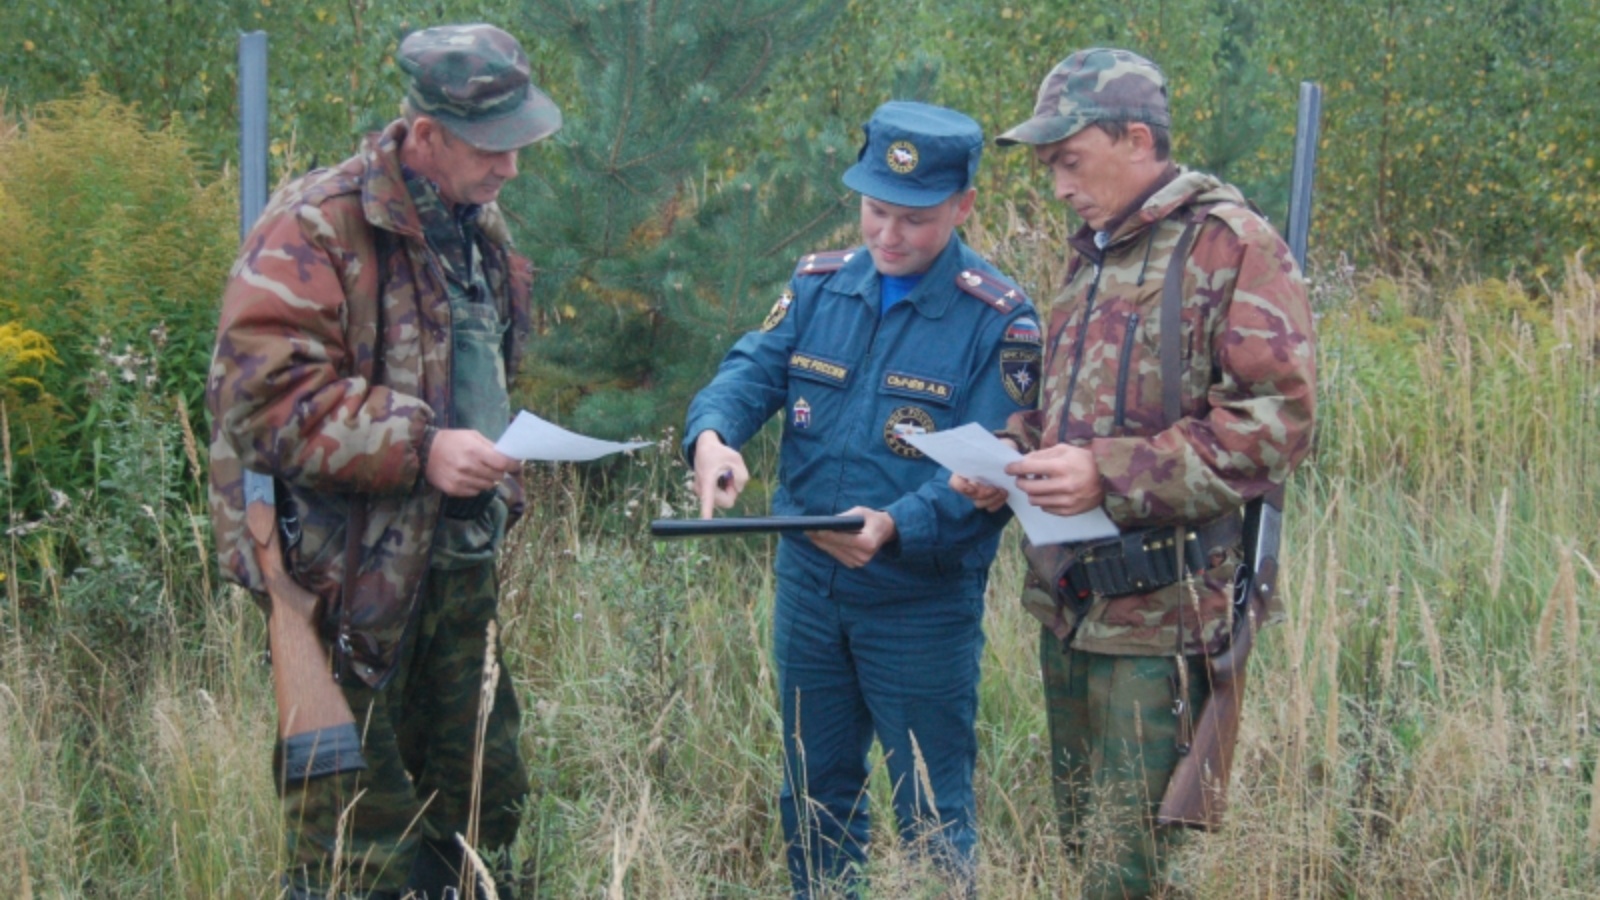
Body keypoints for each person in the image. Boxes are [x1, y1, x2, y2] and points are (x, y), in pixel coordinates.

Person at [950, 48, 1316, 898]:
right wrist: (1012, 456)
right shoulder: (1093, 256)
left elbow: (1274, 426)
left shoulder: (1230, 246)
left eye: (1068, 162)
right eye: (1048, 168)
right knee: (1087, 849)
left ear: (1137, 139)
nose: (1058, 186)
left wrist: (1107, 477)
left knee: (1135, 874)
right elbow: (1070, 410)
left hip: (1163, 623)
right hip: (1073, 610)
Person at [207, 24, 561, 899]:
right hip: (344, 597)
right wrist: (423, 446)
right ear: (427, 133)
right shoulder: (317, 224)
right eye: (493, 147)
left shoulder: (475, 225)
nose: (510, 167)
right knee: (355, 853)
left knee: (480, 821)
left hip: (455, 579)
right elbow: (258, 402)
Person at [684, 101, 1042, 896]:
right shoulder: (819, 286)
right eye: (876, 210)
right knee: (814, 795)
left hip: (917, 601)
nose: (888, 235)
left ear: (963, 206)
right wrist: (714, 437)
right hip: (810, 593)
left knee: (930, 811)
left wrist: (895, 527)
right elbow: (751, 371)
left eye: (913, 219)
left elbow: (991, 471)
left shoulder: (1000, 321)